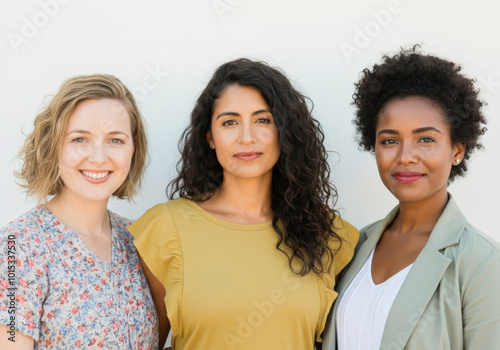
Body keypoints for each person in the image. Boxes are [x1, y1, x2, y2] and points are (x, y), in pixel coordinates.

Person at [128, 58, 359, 350]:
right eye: (230, 122)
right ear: (210, 137)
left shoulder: (329, 234)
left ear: (284, 132)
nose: (247, 138)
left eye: (263, 120)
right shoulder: (165, 229)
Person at [322, 47, 500, 350]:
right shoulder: (357, 243)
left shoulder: (482, 262)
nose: (405, 157)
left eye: (425, 139)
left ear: (457, 150)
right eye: (390, 140)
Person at [0, 74, 158, 349]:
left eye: (116, 140)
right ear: (54, 146)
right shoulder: (18, 245)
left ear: (134, 149)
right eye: (80, 139)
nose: (98, 157)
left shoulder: (139, 239)